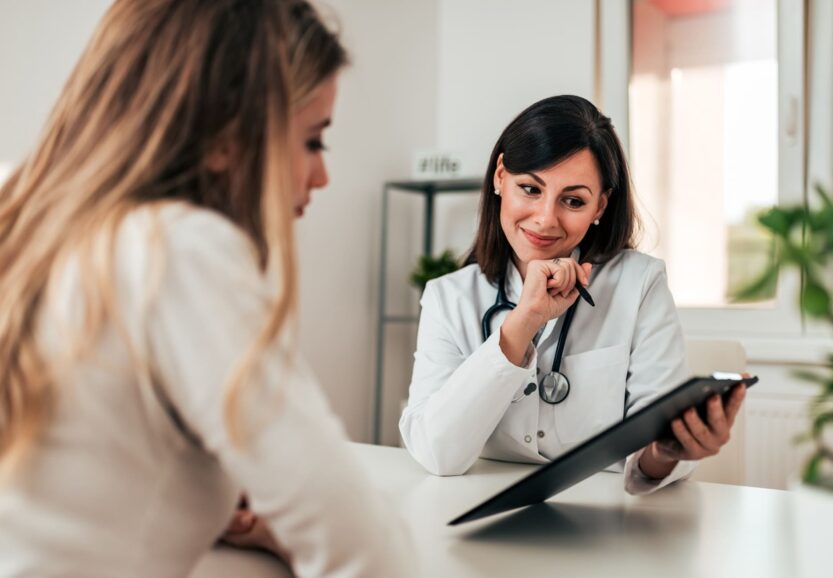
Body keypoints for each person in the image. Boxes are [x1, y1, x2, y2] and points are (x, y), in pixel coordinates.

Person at [0, 1, 412, 577]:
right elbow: (363, 549)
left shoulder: (20, 212)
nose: (321, 175)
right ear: (224, 138)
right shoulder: (177, 251)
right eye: (313, 141)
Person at [399, 95, 746, 494]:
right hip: (477, 509)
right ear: (499, 177)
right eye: (530, 188)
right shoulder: (449, 298)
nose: (546, 219)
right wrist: (522, 322)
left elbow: (649, 450)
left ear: (601, 205)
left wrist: (668, 451)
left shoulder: (640, 283)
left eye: (573, 200)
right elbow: (437, 454)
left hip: (608, 521)